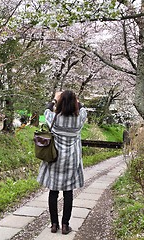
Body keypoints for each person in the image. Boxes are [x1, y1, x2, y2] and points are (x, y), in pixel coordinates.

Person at [37, 90, 87, 235]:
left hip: (55, 158)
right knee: (68, 192)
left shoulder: (53, 118)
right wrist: (75, 100)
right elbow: (82, 108)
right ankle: (65, 225)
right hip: (71, 160)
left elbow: (46, 109)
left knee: (53, 191)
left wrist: (55, 99)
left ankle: (54, 224)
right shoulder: (79, 119)